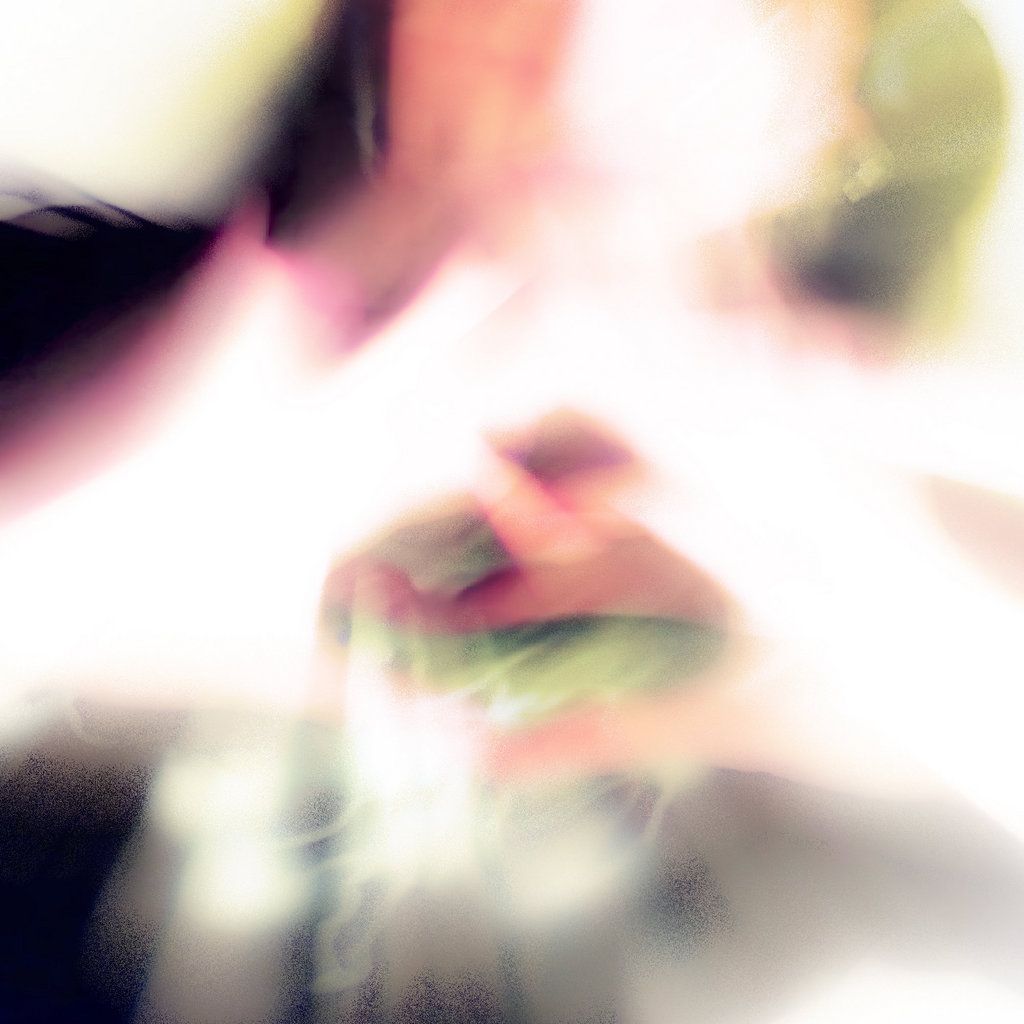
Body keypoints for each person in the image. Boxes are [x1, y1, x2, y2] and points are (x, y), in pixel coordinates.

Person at [1, 0, 1024, 1021]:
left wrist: (787, 518)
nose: (579, 46)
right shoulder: (71, 323)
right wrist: (260, 411)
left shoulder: (930, 482)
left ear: (823, 98)